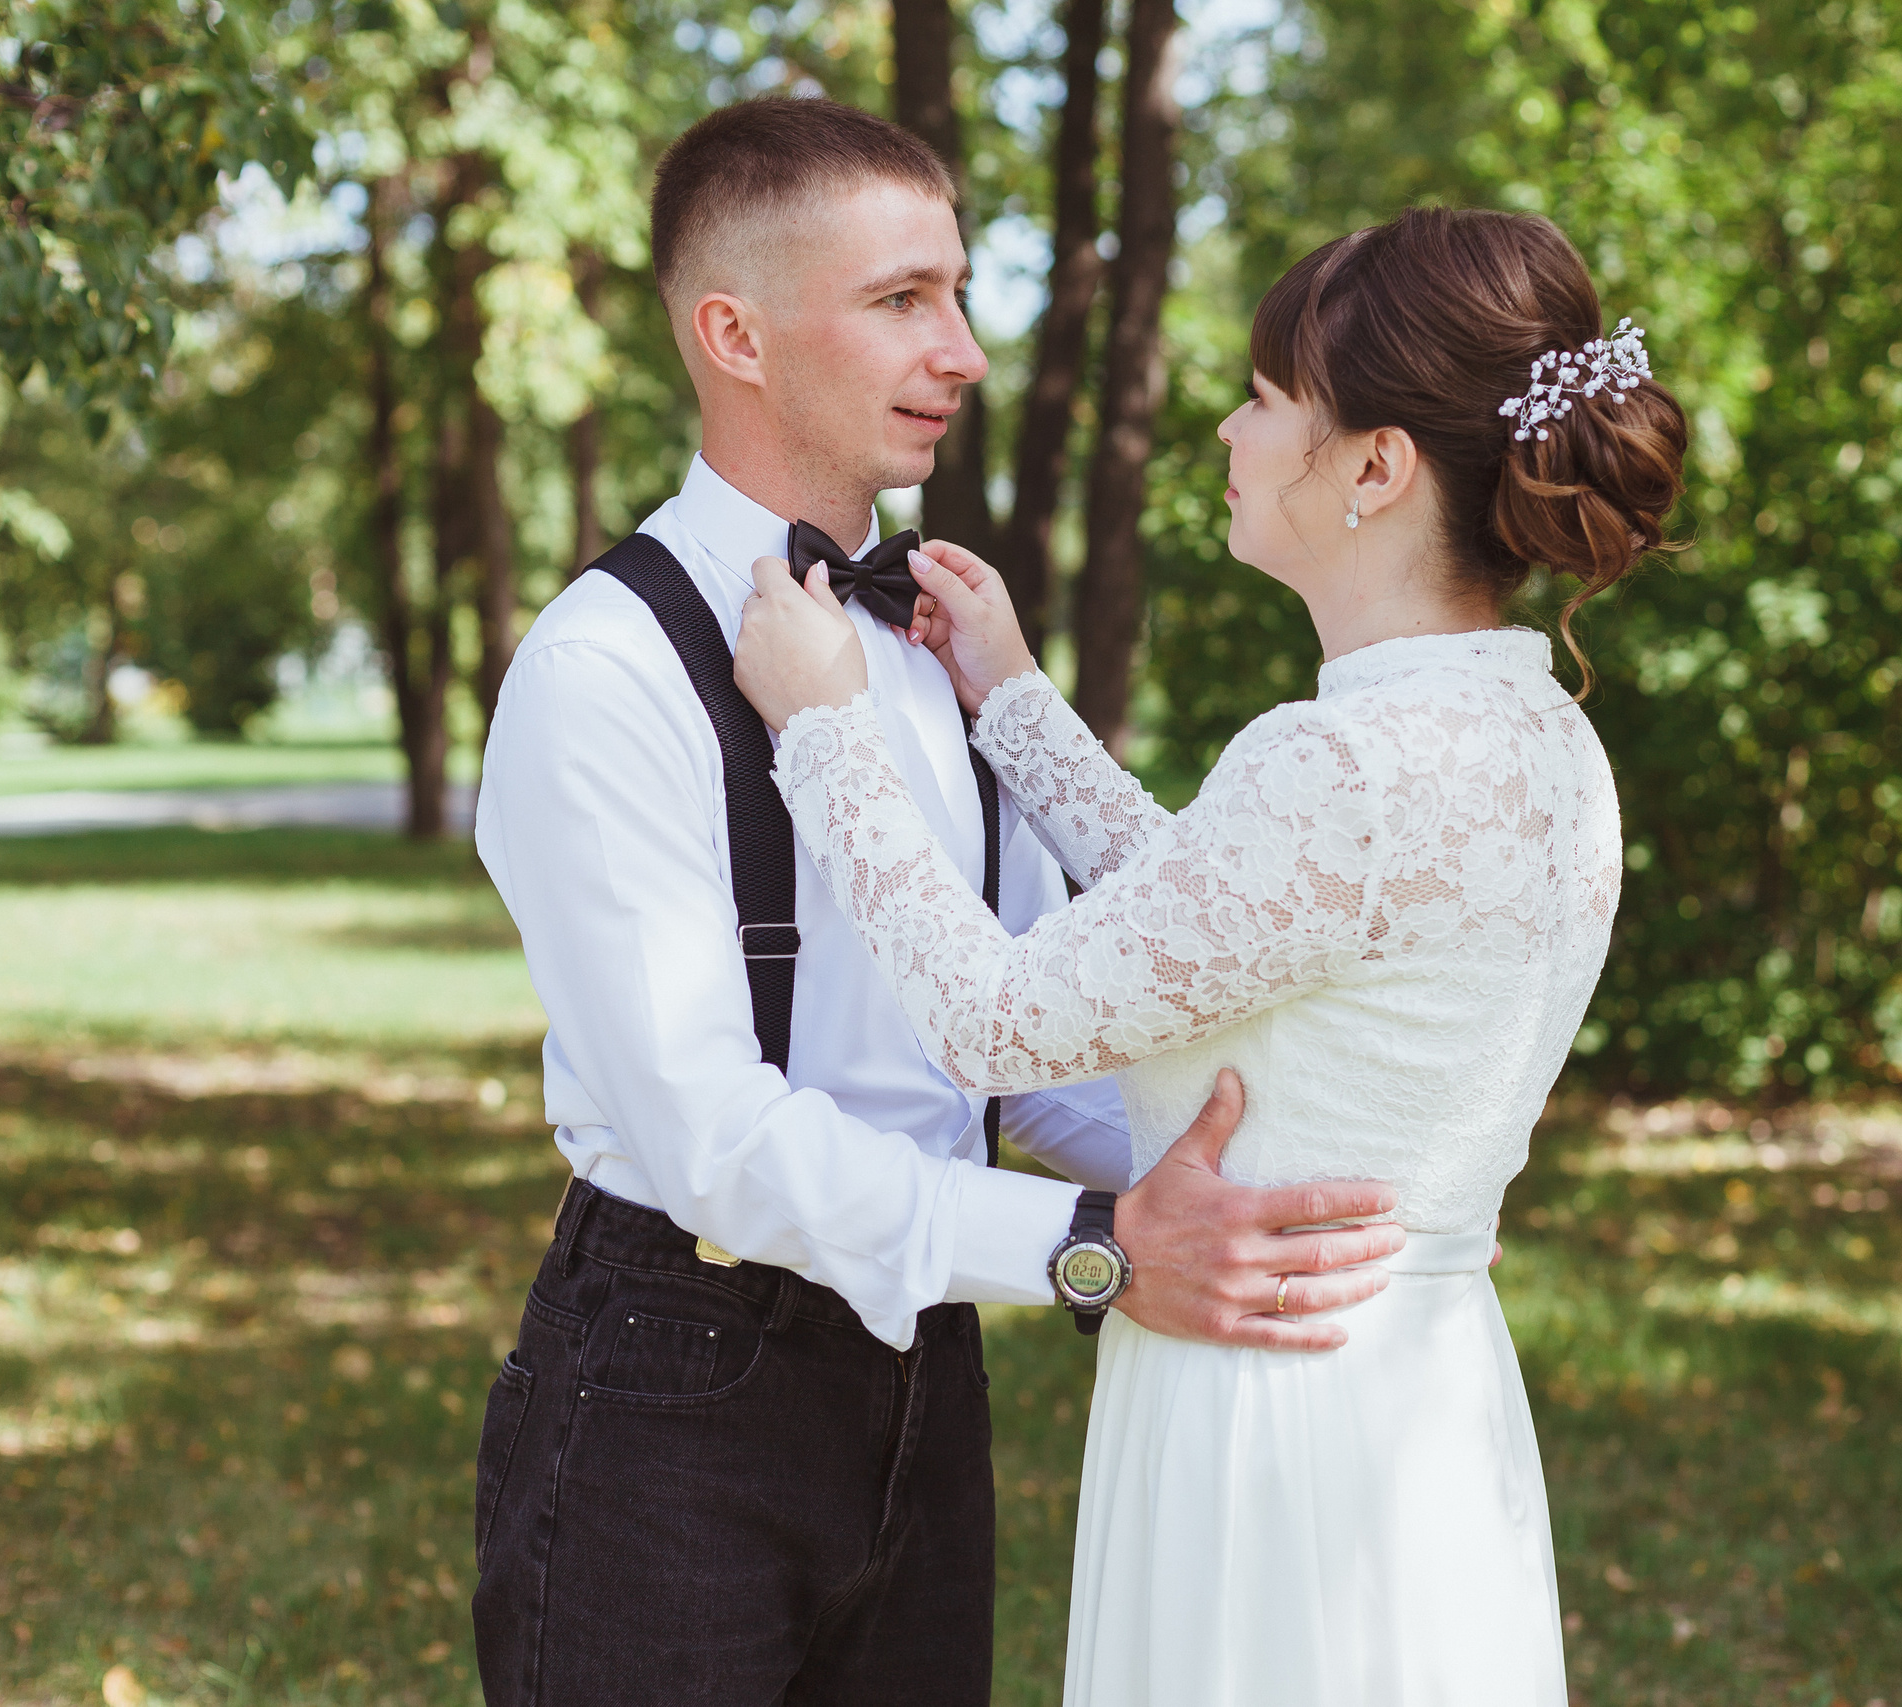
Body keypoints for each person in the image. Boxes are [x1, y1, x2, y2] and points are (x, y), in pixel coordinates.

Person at [468, 95, 1408, 1707]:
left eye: (960, 295)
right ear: (734, 334)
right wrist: (1099, 1251)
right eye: (904, 300)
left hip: (926, 1377)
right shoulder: (605, 668)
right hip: (674, 1388)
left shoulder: (933, 643)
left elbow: (1024, 1037)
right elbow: (714, 1140)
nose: (964, 349)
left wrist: (1271, 1201)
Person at [734, 205, 1687, 1704]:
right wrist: (1012, 703)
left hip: (1273, 1418)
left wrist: (826, 730)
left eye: (1265, 399)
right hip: (1424, 1390)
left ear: (1374, 468)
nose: (1230, 429)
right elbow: (1220, 918)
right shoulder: (1536, 737)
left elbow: (997, 1020)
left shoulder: (1341, 764)